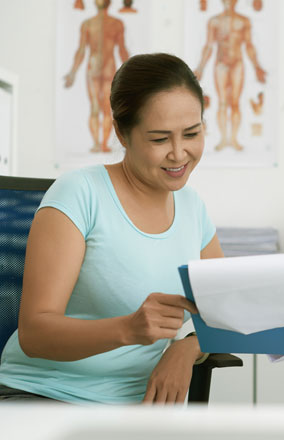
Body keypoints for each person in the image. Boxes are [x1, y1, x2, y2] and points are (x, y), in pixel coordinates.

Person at [0, 53, 222, 404]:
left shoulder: (193, 207)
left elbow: (221, 309)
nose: (179, 153)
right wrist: (128, 329)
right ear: (122, 132)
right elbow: (35, 333)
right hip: (45, 395)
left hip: (139, 408)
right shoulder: (79, 194)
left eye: (191, 134)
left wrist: (186, 348)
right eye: (159, 139)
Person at [194, 0, 267, 151]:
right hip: (221, 64)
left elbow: (249, 45)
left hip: (237, 64)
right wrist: (200, 68)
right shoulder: (214, 21)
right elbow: (208, 46)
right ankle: (223, 139)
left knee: (235, 102)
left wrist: (257, 67)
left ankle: (233, 139)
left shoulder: (243, 21)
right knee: (221, 102)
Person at [64, 0, 130, 153]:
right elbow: (81, 50)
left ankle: (103, 144)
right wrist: (72, 72)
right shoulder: (87, 24)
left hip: (108, 70)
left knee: (107, 108)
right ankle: (96, 143)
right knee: (95, 107)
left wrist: (133, 70)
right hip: (93, 70)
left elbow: (122, 49)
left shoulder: (116, 23)